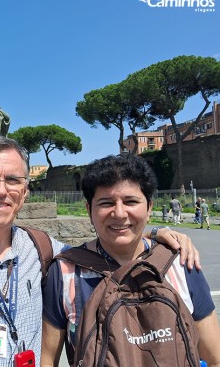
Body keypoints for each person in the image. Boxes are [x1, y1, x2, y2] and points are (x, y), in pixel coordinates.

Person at [0, 137, 199, 367]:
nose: (0, 190)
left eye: (12, 180)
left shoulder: (44, 249)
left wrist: (151, 233)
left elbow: (107, 241)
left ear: (24, 192)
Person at [41, 154, 220, 367]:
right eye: (106, 203)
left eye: (131, 201)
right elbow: (47, 360)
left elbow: (214, 358)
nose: (119, 213)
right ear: (89, 210)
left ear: (149, 206)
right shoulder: (64, 272)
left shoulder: (182, 264)